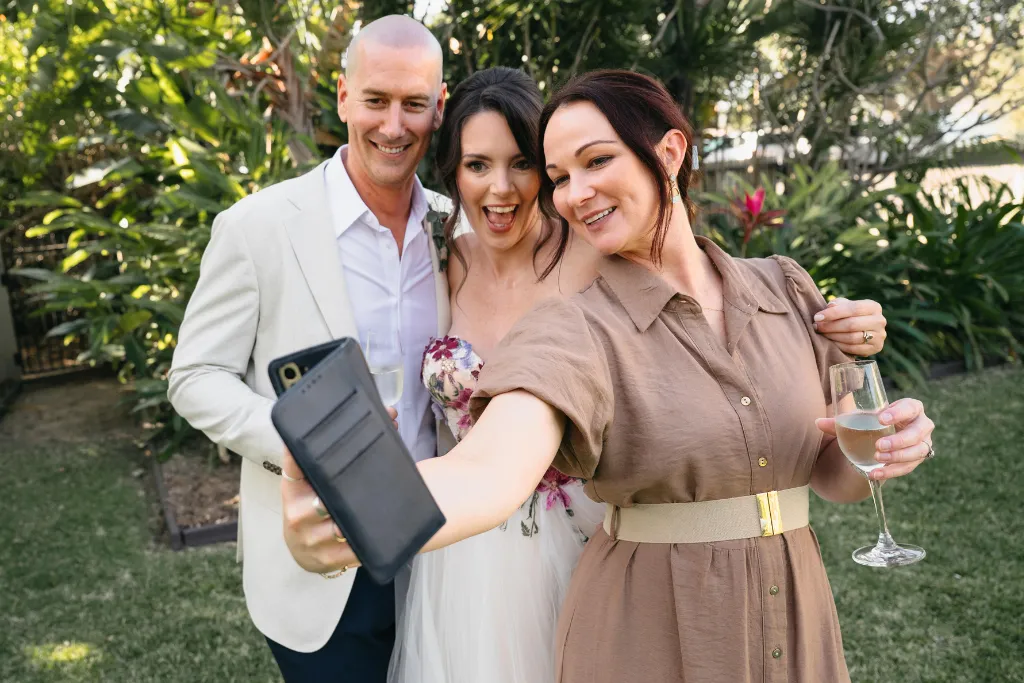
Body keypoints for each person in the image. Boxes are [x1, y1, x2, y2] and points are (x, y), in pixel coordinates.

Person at [283, 68, 914, 682]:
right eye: (559, 176)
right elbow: (488, 472)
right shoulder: (572, 327)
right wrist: (358, 516)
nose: (573, 193)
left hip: (795, 623)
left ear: (669, 151)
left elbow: (834, 476)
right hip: (647, 634)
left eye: (595, 162)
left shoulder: (787, 288)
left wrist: (890, 448)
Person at [167, 15, 454, 683]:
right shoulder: (257, 226)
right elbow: (195, 375)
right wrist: (303, 439)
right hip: (321, 560)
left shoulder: (456, 224)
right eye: (377, 100)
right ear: (343, 96)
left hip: (446, 551)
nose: (394, 124)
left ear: (439, 108)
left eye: (414, 103)